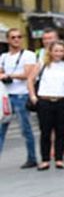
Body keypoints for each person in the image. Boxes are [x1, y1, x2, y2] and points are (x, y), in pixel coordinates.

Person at [26, 40, 64, 170]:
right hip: (45, 101)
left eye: (61, 51)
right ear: (50, 52)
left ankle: (59, 159)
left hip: (62, 100)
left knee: (61, 131)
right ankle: (45, 159)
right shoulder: (42, 64)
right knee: (45, 132)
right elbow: (30, 80)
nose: (58, 53)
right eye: (56, 50)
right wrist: (33, 96)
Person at [0, 27, 38, 168]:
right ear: (8, 39)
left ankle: (32, 158)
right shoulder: (3, 57)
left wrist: (10, 76)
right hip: (6, 96)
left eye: (19, 37)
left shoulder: (28, 55)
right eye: (13, 37)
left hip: (22, 95)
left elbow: (28, 74)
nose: (17, 40)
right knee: (1, 128)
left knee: (25, 128)